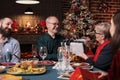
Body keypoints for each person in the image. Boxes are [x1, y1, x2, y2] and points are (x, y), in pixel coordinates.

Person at [92, 9, 120, 80]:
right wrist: (107, 75)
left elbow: (98, 65)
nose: (110, 30)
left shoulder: (115, 51)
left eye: (111, 25)